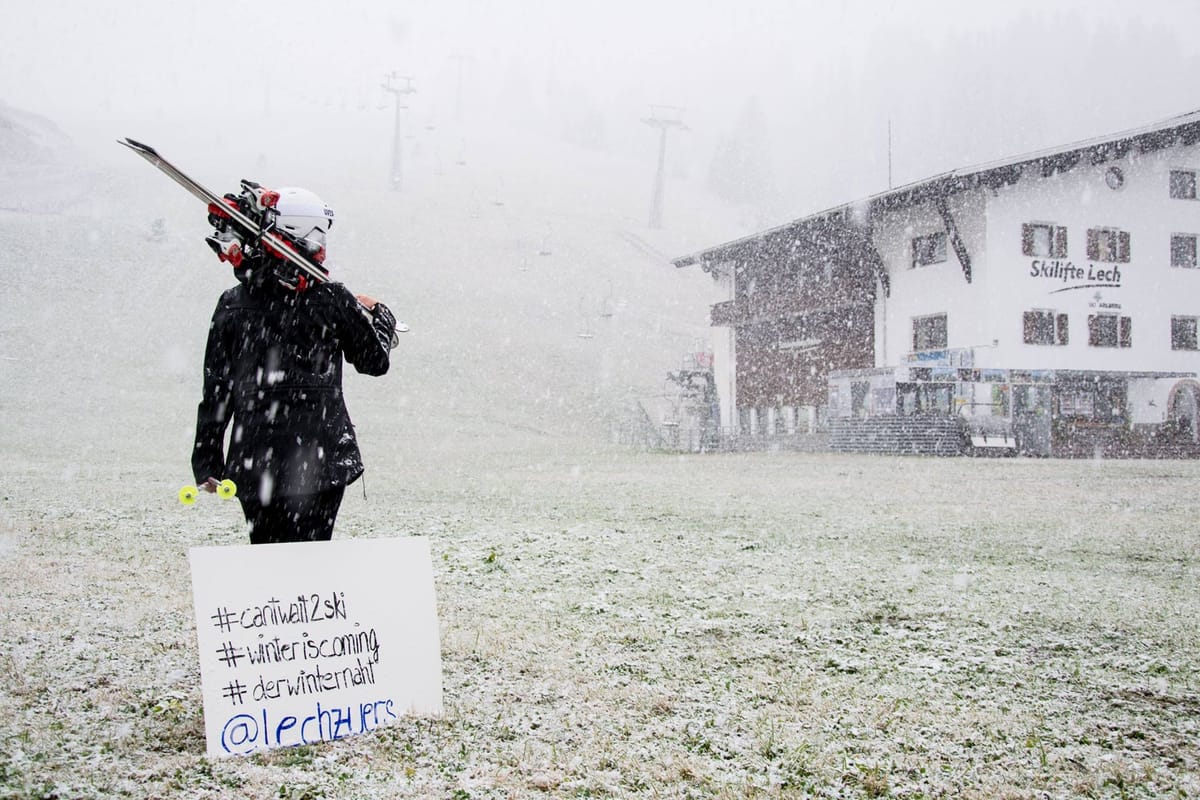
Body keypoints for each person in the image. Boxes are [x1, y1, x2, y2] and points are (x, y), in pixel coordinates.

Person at [190, 187, 396, 544]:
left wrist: (207, 458)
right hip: (321, 463)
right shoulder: (331, 299)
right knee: (313, 562)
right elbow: (375, 361)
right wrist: (381, 316)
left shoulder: (232, 304)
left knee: (268, 564)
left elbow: (216, 389)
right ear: (307, 233)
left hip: (255, 461)